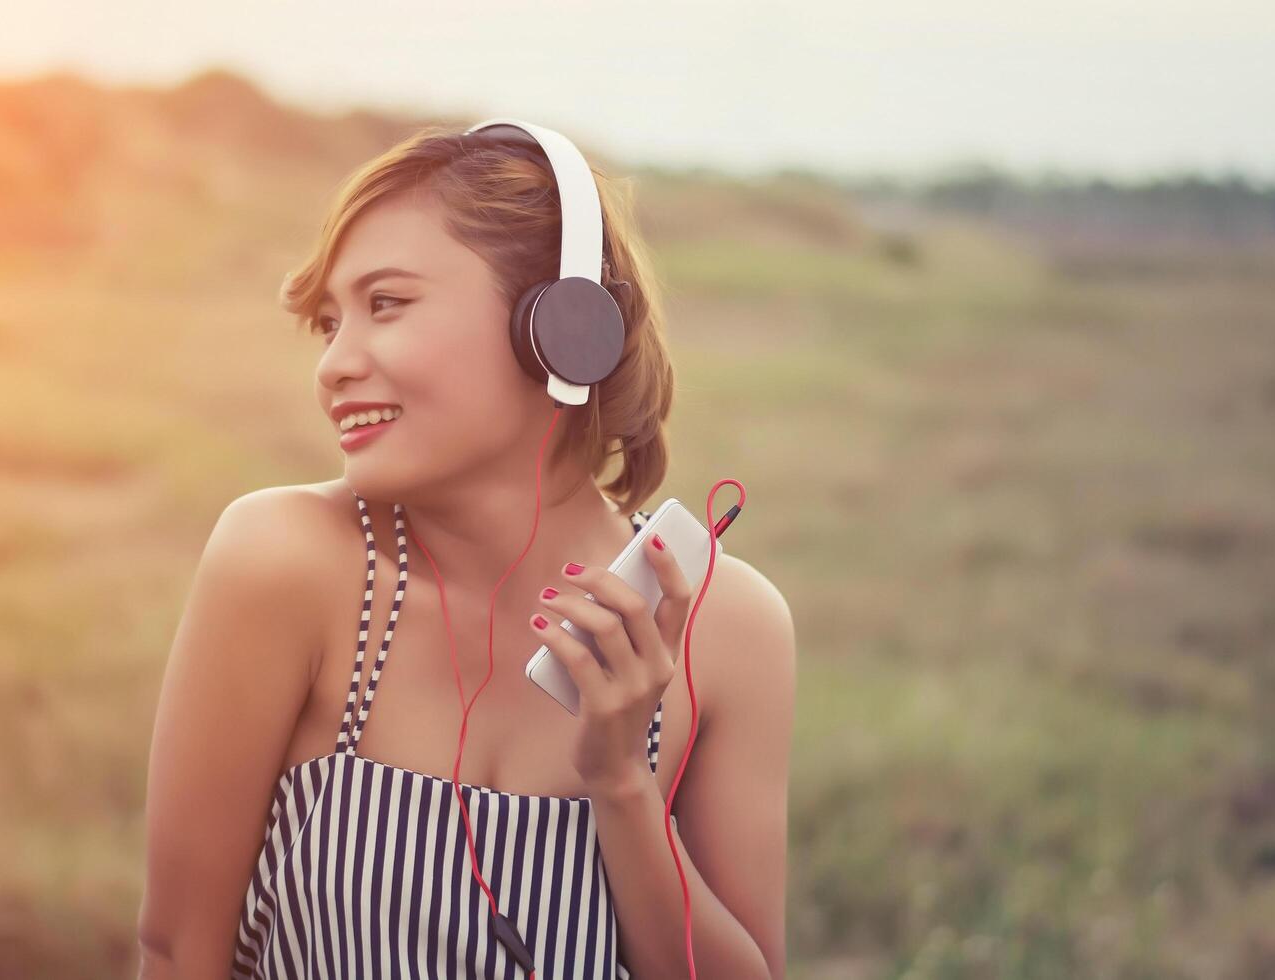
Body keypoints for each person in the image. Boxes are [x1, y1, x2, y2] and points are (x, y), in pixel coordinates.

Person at [136, 124, 796, 979]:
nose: (333, 365)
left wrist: (623, 786)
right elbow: (178, 949)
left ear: (562, 332)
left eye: (387, 304)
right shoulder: (284, 561)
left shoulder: (727, 627)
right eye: (329, 324)